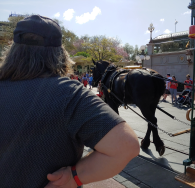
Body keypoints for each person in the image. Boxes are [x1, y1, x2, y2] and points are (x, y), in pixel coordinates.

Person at [0, 15, 139, 188]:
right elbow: (127, 146)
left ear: (12, 50)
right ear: (59, 53)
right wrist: (74, 177)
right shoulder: (69, 93)